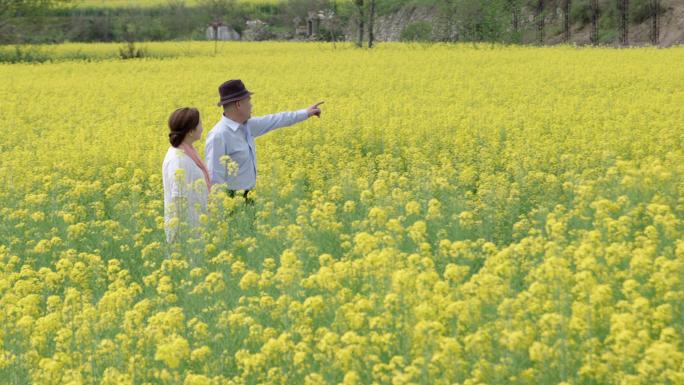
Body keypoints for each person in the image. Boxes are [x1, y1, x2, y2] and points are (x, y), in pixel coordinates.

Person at [205, 79, 323, 203]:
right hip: (230, 200)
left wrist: (306, 113)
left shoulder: (247, 126)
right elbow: (214, 177)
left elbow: (275, 120)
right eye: (248, 101)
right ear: (239, 105)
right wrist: (218, 212)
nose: (251, 105)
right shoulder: (219, 135)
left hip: (249, 196)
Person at [162, 107, 211, 243]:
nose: (202, 128)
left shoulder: (188, 153)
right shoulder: (178, 160)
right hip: (187, 234)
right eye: (200, 124)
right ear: (190, 131)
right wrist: (178, 237)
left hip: (196, 229)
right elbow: (178, 199)